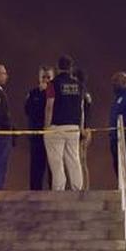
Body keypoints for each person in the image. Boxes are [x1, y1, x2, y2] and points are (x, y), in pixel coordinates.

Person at [44, 55, 85, 191]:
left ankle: (59, 190)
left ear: (57, 67)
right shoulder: (78, 85)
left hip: (56, 127)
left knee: (57, 162)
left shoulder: (53, 84)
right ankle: (77, 189)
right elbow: (81, 108)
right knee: (74, 159)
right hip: (73, 127)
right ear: (71, 68)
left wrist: (46, 126)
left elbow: (50, 105)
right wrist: (81, 127)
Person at [23, 65, 55, 190]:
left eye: (49, 77)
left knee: (53, 165)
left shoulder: (56, 93)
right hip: (36, 135)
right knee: (36, 165)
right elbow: (28, 110)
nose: (46, 80)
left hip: (52, 133)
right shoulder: (33, 93)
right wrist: (42, 94)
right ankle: (35, 192)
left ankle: (54, 191)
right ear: (39, 78)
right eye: (43, 77)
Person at [75, 68, 94, 189]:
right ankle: (84, 187)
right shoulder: (86, 94)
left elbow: (83, 113)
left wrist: (83, 129)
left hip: (82, 131)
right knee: (82, 161)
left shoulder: (81, 94)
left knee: (80, 161)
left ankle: (84, 188)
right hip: (86, 129)